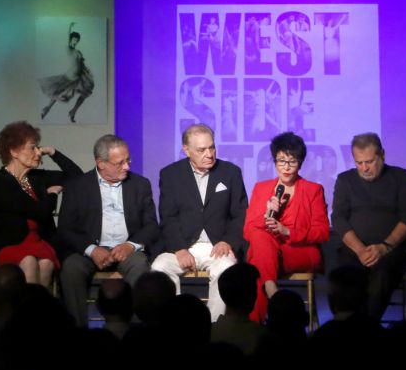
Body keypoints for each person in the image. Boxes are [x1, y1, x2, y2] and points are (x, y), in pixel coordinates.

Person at [58, 134, 159, 328]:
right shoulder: (77, 186)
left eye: (128, 160)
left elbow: (151, 226)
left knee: (140, 267)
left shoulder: (140, 184)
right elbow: (65, 229)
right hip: (90, 250)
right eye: (119, 163)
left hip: (127, 250)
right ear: (101, 163)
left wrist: (130, 246)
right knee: (71, 268)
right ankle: (77, 335)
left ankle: (135, 333)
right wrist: (91, 250)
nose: (127, 167)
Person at [151, 123, 248, 322]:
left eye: (211, 147)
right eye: (201, 150)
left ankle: (213, 327)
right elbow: (168, 216)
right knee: (159, 267)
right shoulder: (170, 175)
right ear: (186, 150)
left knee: (226, 270)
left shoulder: (231, 173)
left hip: (218, 246)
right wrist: (179, 249)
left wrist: (228, 241)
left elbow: (240, 214)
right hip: (185, 246)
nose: (209, 154)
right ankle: (173, 325)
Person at [0, 121, 82, 288]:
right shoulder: (1, 183)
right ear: (14, 151)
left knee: (46, 263)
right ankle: (26, 311)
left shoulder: (36, 177)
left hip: (37, 241)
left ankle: (38, 309)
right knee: (29, 261)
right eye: (32, 148)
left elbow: (77, 177)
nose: (38, 152)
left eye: (38, 148)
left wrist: (53, 152)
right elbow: (41, 211)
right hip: (8, 243)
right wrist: (52, 194)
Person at [243, 132, 329, 322]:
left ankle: (256, 329)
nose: (286, 167)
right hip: (268, 250)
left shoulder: (313, 190)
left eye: (292, 161)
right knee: (259, 239)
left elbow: (322, 232)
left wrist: (287, 231)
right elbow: (248, 231)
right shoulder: (261, 188)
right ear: (274, 161)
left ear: (301, 162)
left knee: (258, 268)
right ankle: (275, 296)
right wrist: (266, 214)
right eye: (281, 161)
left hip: (300, 251)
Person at [332, 133, 406, 321]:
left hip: (391, 251)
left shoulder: (402, 178)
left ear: (382, 155)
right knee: (346, 277)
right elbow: (338, 219)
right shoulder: (345, 180)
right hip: (353, 251)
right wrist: (360, 250)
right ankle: (352, 327)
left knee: (381, 276)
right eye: (359, 162)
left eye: (369, 162)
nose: (364, 168)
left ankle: (366, 328)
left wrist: (384, 247)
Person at [40, 22, 96, 123]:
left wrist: (86, 70)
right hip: (69, 77)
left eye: (77, 40)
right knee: (58, 93)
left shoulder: (78, 52)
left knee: (85, 93)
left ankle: (73, 111)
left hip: (80, 78)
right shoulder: (69, 49)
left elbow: (81, 63)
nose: (76, 42)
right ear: (71, 40)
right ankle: (47, 109)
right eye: (74, 39)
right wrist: (70, 27)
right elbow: (67, 38)